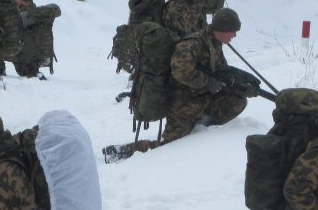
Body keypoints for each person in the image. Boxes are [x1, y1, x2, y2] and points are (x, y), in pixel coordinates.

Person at [103, 8, 252, 163]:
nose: (235, 35)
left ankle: (201, 128)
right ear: (223, 29)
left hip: (202, 99)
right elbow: (180, 72)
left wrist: (238, 86)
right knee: (170, 145)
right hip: (183, 104)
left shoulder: (215, 44)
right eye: (233, 31)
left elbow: (221, 74)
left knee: (238, 100)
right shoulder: (194, 44)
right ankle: (121, 152)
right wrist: (209, 83)